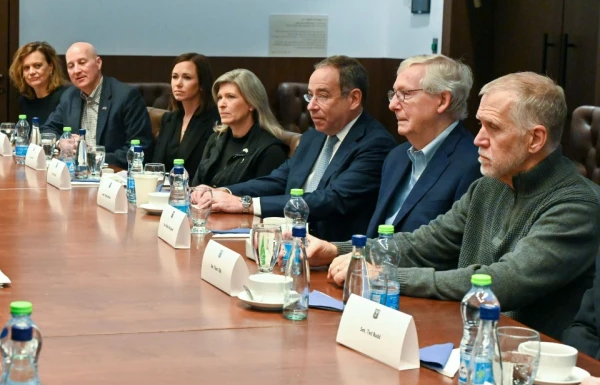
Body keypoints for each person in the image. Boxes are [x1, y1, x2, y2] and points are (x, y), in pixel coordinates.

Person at [322, 72, 600, 339]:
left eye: (494, 127)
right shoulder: (489, 185)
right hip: (468, 336)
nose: (478, 138)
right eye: (480, 124)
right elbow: (425, 243)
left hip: (528, 360)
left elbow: (501, 282)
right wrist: (344, 251)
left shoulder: (577, 205)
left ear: (535, 139)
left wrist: (388, 276)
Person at [196, 56, 395, 243]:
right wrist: (224, 191)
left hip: (333, 250)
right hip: (289, 238)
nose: (311, 106)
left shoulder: (375, 144)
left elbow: (333, 199)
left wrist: (246, 204)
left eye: (323, 96)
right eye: (310, 96)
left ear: (354, 99)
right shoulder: (313, 136)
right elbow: (279, 179)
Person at [305, 54, 481, 264]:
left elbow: (451, 256)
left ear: (442, 100)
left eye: (405, 94)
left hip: (414, 289)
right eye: (394, 94)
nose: (393, 105)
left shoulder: (473, 165)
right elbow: (377, 238)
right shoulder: (396, 158)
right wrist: (337, 251)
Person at [41, 42, 153, 168]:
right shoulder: (69, 96)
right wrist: (60, 143)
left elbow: (141, 148)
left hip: (112, 175)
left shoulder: (126, 96)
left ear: (98, 63)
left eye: (82, 62)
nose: (76, 70)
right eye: (71, 66)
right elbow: (47, 129)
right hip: (76, 173)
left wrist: (91, 155)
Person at [191, 68, 287, 187]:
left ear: (251, 103)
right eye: (220, 97)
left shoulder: (270, 150)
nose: (221, 104)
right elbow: (195, 186)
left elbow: (262, 199)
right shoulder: (215, 139)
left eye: (230, 97)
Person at [151, 53, 218, 177]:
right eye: (175, 77)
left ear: (202, 84)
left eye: (187, 77)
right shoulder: (169, 119)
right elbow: (156, 165)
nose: (178, 83)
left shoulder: (215, 121)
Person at [9, 41, 72, 122]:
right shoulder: (24, 101)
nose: (31, 72)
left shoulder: (66, 96)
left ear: (50, 67)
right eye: (26, 68)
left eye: (37, 66)